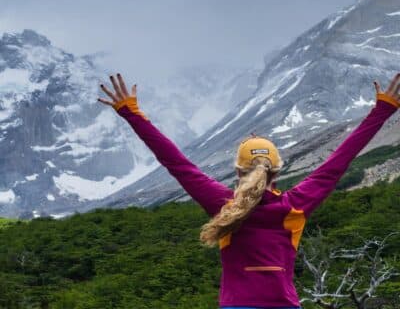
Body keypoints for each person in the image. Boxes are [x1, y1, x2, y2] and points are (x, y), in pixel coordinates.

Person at [98, 72, 400, 309]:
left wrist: (132, 113)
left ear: (238, 171)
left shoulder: (223, 205)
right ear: (278, 172)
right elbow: (340, 160)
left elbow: (175, 162)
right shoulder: (295, 207)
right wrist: (382, 110)